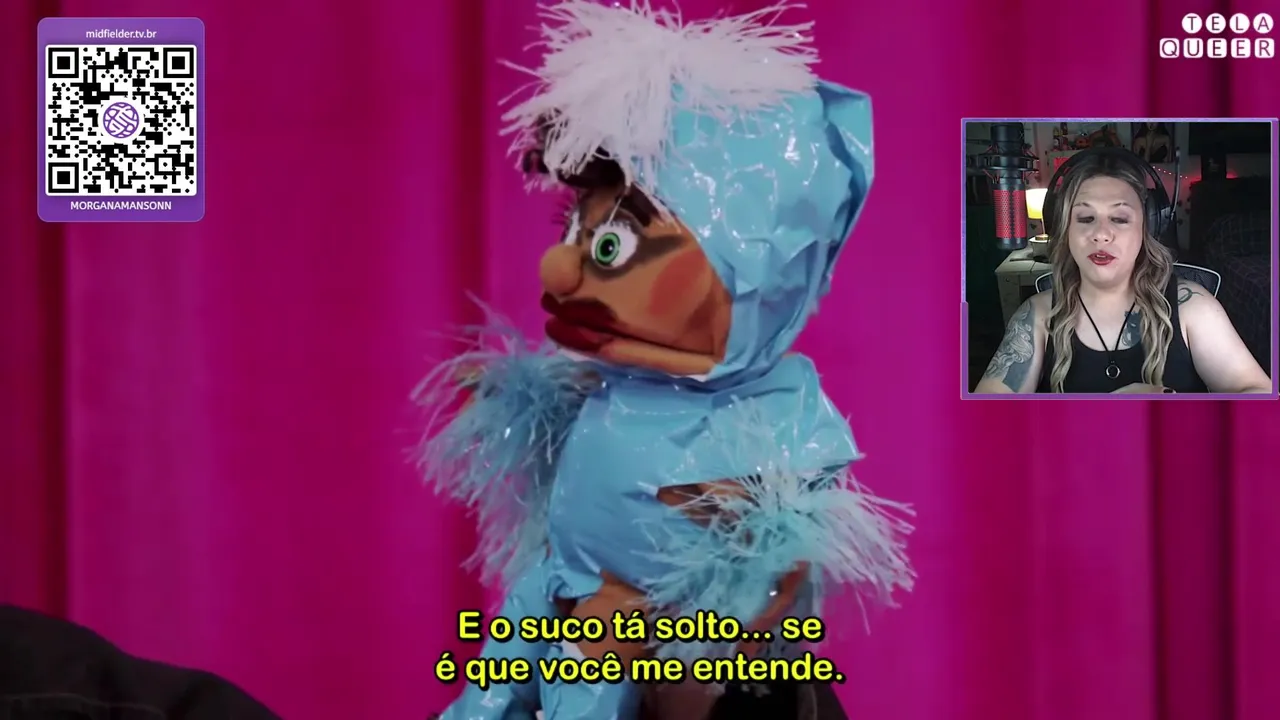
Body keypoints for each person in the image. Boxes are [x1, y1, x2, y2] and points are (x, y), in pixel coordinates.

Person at [414, 2, 913, 719]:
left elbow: (765, 584)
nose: (559, 267)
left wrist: (711, 614)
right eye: (574, 226)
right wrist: (520, 405)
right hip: (554, 595)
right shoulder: (612, 382)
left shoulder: (779, 422)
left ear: (753, 267)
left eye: (612, 242)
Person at [976, 148, 1271, 395]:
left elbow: (1257, 394)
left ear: (1147, 228)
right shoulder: (1035, 317)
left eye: (1119, 219)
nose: (1101, 235)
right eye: (1085, 218)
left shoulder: (1194, 307)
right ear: (1064, 231)